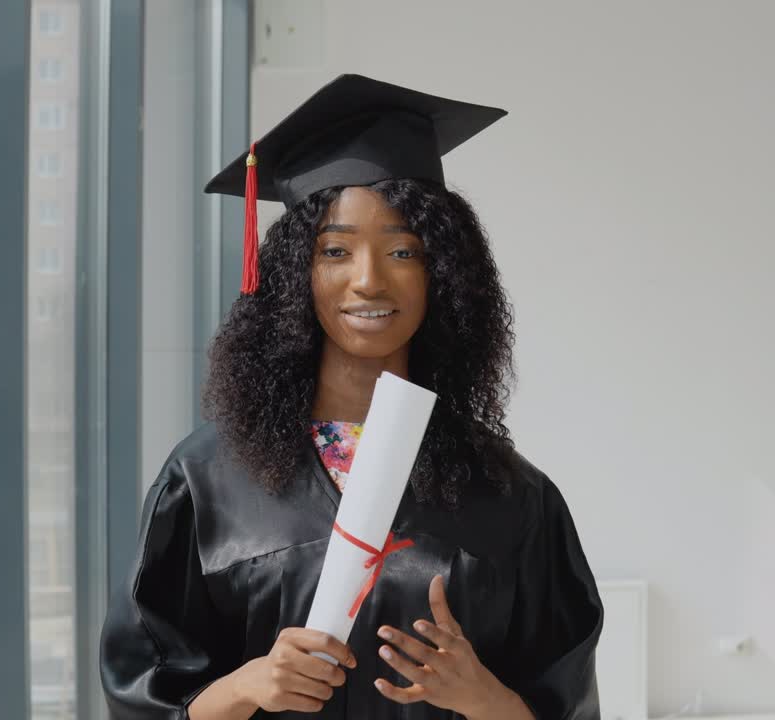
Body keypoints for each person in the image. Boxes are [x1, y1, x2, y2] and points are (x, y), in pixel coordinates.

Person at [100, 74, 603, 720]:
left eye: (403, 250)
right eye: (336, 250)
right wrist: (246, 685)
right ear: (295, 274)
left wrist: (489, 701)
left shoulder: (511, 497)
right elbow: (142, 695)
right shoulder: (204, 484)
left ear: (444, 275)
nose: (369, 280)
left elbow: (567, 705)